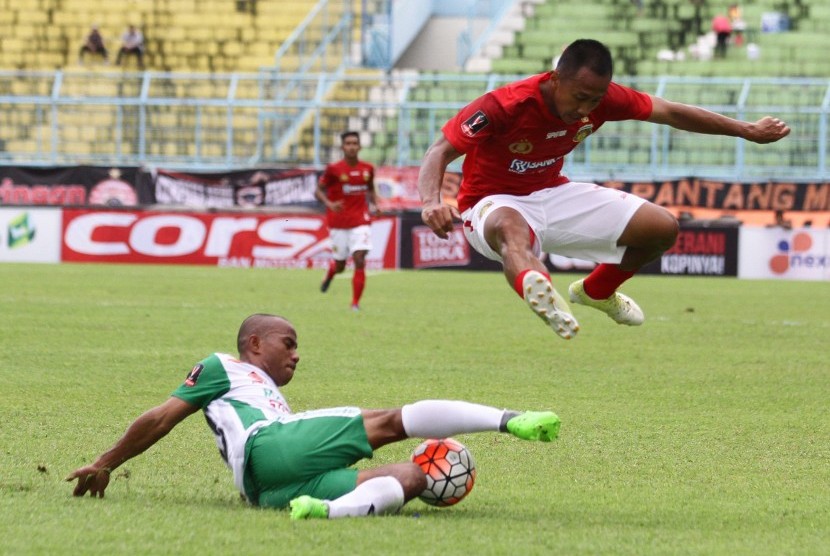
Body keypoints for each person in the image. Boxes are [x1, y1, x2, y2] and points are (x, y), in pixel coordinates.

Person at [418, 39, 790, 340]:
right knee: (510, 230)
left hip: (552, 192)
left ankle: (596, 292)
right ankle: (541, 291)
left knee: (662, 228)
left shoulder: (604, 99)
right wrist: (432, 202)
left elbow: (672, 112)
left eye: (595, 100)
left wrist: (746, 130)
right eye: (580, 97)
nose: (586, 108)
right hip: (489, 204)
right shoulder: (506, 104)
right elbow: (440, 151)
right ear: (556, 79)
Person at [65, 313, 561, 520]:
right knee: (389, 422)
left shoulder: (261, 390)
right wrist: (107, 459)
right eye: (289, 343)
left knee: (412, 476)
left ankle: (326, 512)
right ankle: (509, 419)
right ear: (255, 344)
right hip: (270, 444)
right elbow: (162, 416)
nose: (297, 355)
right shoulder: (225, 365)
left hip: (265, 491)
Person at [316, 131, 377, 310]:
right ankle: (331, 273)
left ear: (359, 146)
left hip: (361, 220)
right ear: (343, 147)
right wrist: (329, 203)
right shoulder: (334, 169)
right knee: (341, 265)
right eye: (348, 143)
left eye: (354, 143)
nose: (351, 146)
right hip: (338, 222)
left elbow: (371, 189)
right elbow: (318, 191)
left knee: (359, 258)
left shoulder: (368, 169)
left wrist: (376, 205)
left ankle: (355, 304)